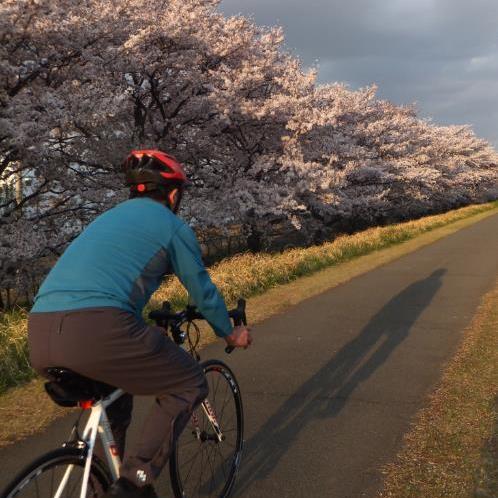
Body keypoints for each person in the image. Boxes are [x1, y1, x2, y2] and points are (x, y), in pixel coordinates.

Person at [27, 149, 253, 498]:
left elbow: (101, 286)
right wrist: (230, 332)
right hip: (99, 331)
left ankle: (101, 483)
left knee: (115, 400)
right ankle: (136, 481)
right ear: (174, 193)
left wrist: (140, 330)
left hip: (40, 332)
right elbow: (203, 291)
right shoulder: (172, 226)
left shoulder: (105, 220)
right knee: (189, 382)